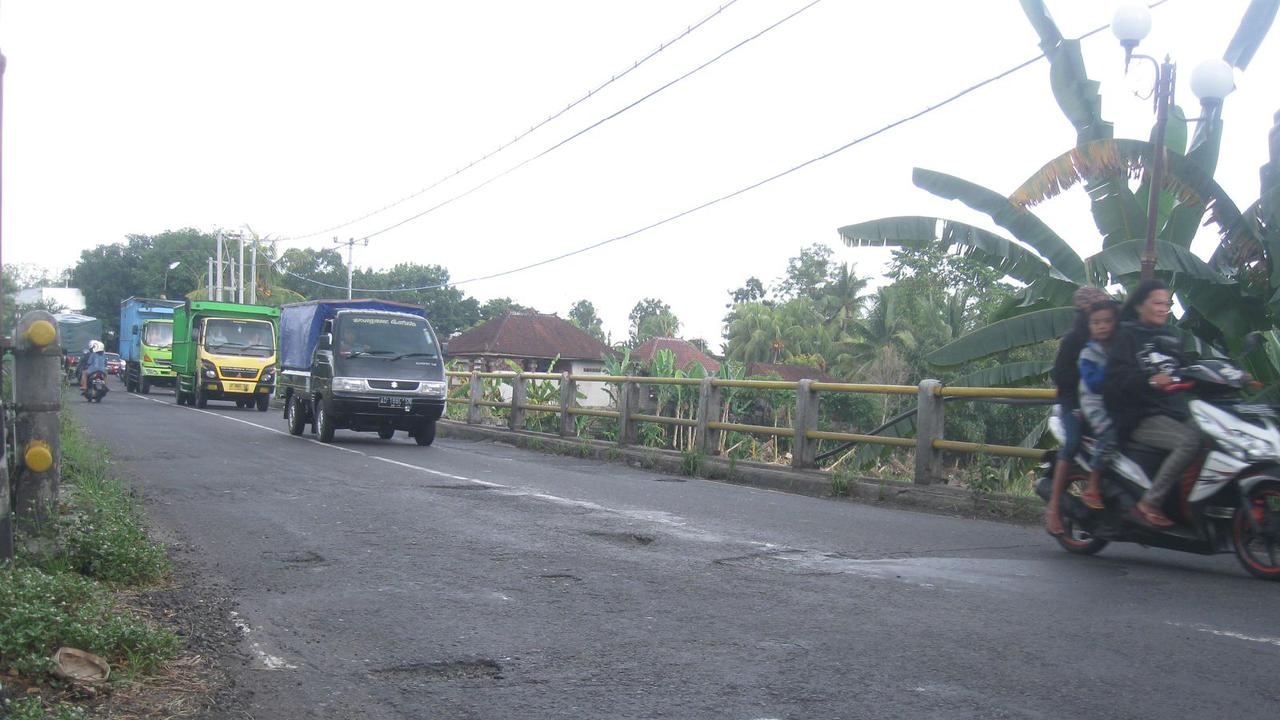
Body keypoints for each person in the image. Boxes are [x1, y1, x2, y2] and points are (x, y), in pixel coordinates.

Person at [1103, 279, 1206, 528]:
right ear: (1139, 306)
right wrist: (1150, 380)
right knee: (1189, 441)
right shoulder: (1126, 335)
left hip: (1174, 412)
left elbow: (1188, 368)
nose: (1163, 308)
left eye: (1167, 304)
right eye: (1157, 303)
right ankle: (1149, 503)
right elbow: (1116, 380)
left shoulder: (1168, 336)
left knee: (1214, 434)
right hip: (1139, 416)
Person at [1046, 286, 1111, 536]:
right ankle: (1053, 507)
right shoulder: (1076, 338)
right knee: (1072, 444)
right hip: (1073, 401)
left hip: (1104, 401)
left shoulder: (1112, 336)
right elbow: (1061, 375)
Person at [1077, 300, 1121, 510]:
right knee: (1110, 435)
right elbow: (1093, 384)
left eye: (1107, 321)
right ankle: (1092, 485)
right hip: (1096, 404)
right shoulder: (1088, 353)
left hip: (1117, 401)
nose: (1102, 326)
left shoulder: (1121, 346)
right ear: (1090, 326)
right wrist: (1115, 368)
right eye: (1096, 322)